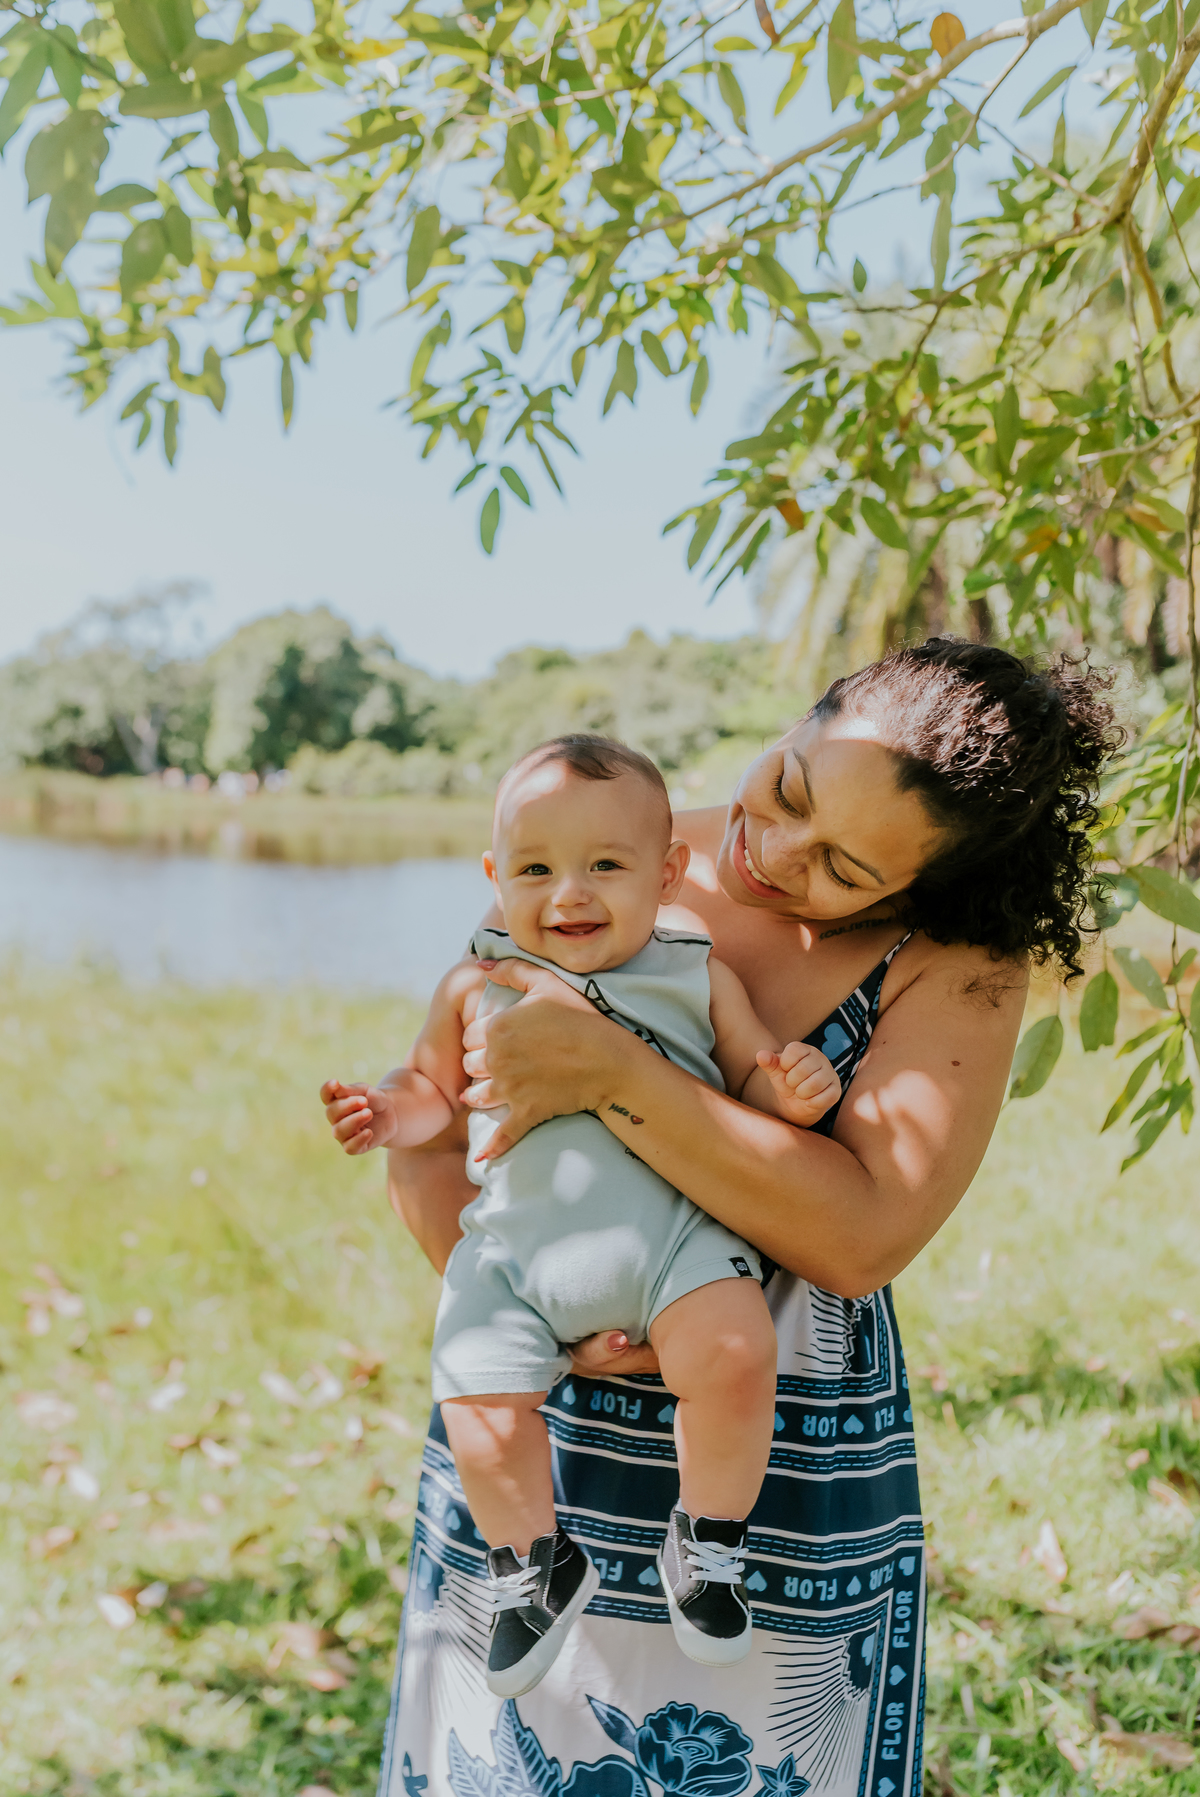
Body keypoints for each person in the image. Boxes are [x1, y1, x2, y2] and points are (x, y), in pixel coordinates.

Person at [372, 638, 1118, 1797]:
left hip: (772, 1447)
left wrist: (613, 1071)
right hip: (541, 1424)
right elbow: (442, 1121)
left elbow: (862, 1234)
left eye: (842, 866)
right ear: (800, 721)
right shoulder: (617, 844)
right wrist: (540, 1333)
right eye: (787, 790)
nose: (771, 852)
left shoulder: (959, 961)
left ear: (920, 890)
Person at [322, 735, 842, 1696]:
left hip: (675, 1243)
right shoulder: (477, 982)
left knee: (734, 1354)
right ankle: (534, 1563)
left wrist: (794, 1095)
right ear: (493, 877)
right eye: (535, 868)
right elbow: (435, 1091)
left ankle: (708, 1536)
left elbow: (750, 1093)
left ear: (669, 873)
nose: (570, 893)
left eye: (606, 865)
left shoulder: (697, 975)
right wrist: (392, 1109)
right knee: (473, 1398)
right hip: (517, 1253)